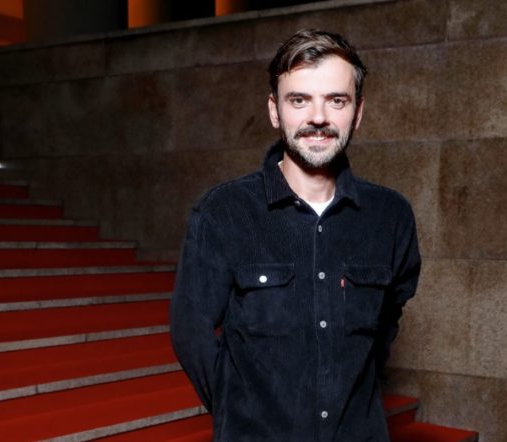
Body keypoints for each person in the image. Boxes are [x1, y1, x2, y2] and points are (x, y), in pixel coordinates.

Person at [170, 29, 421, 441]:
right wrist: (238, 413)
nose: (318, 118)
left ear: (357, 112)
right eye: (299, 100)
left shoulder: (390, 216)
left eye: (336, 100)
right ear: (275, 110)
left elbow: (386, 321)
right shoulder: (224, 211)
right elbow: (189, 329)